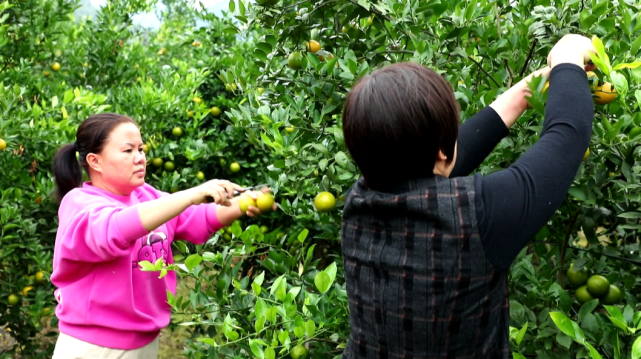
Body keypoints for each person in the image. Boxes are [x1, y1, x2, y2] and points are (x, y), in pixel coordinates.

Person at [340, 34, 596, 358]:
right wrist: (568, 59)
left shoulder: (359, 201)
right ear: (442, 150)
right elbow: (566, 138)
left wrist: (533, 86)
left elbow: (438, 158)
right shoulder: (480, 216)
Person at [50, 113, 275, 359]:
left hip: (145, 341)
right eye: (128, 151)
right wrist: (189, 195)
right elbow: (114, 229)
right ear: (95, 161)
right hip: (94, 347)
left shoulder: (147, 196)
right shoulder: (79, 204)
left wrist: (242, 203)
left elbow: (197, 218)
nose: (140, 158)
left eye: (141, 149)